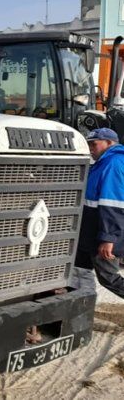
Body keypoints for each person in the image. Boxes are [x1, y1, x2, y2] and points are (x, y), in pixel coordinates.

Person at [76, 128, 124, 298]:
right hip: (89, 233)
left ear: (109, 143)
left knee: (108, 277)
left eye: (94, 144)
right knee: (77, 272)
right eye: (88, 144)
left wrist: (108, 238)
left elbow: (113, 204)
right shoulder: (102, 164)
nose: (90, 148)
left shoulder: (113, 164)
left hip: (101, 234)